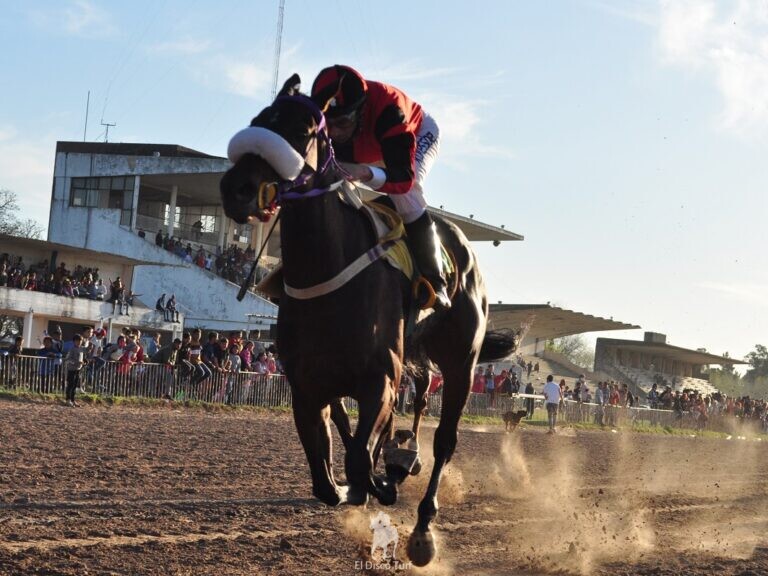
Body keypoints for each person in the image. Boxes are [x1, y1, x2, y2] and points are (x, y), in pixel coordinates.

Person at [311, 65, 450, 310]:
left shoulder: (390, 111)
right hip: (371, 146)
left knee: (408, 194)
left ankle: (437, 283)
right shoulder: (323, 120)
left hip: (414, 135)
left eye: (342, 123)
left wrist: (365, 172)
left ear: (360, 110)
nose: (334, 133)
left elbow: (403, 178)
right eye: (327, 123)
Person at [64, 334, 87, 406]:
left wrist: (84, 361)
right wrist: (77, 362)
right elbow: (68, 359)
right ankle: (68, 400)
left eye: (80, 340)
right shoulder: (72, 349)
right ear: (74, 341)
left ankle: (73, 400)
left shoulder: (81, 349)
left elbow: (82, 358)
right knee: (70, 385)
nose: (79, 342)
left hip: (78, 369)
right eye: (77, 341)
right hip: (71, 369)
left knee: (75, 386)